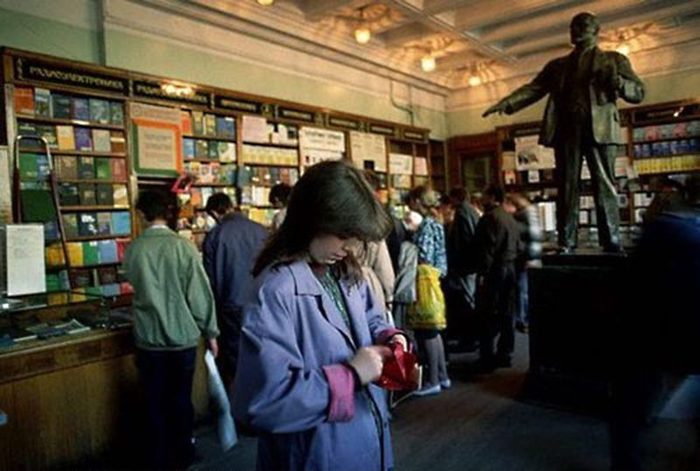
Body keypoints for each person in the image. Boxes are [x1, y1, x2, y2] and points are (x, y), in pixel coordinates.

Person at [232, 161, 409, 471]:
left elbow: (372, 320)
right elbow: (264, 402)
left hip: (367, 438)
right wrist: (352, 375)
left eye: (355, 237)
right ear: (311, 220)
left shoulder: (346, 271)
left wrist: (389, 338)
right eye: (343, 234)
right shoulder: (276, 290)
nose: (350, 247)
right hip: (316, 453)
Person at [482, 12, 645, 253]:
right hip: (568, 131)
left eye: (582, 25)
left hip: (600, 130)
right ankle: (567, 241)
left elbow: (638, 91)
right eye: (572, 26)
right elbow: (534, 88)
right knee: (567, 186)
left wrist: (620, 84)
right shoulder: (557, 66)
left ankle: (611, 240)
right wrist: (506, 103)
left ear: (596, 30)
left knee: (605, 185)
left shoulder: (613, 60)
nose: (575, 30)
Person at [124, 189, 219, 470]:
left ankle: (157, 457)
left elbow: (132, 284)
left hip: (148, 339)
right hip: (182, 339)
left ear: (142, 214)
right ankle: (183, 454)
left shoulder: (134, 249)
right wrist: (211, 332)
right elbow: (199, 295)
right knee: (180, 399)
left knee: (153, 401)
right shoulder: (183, 247)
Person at [610, 175, 700, 470]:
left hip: (650, 329)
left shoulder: (664, 227)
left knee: (631, 403)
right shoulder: (686, 228)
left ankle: (627, 462)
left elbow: (635, 281)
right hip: (683, 328)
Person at [202, 192, 268, 386]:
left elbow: (209, 279)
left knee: (234, 359)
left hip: (231, 304)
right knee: (262, 352)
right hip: (262, 302)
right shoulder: (261, 231)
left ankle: (238, 398)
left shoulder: (215, 235)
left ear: (215, 213)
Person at [473, 185, 520, 370]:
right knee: (507, 312)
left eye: (485, 195)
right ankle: (505, 353)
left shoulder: (490, 218)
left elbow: (488, 249)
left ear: (492, 197)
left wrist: (483, 273)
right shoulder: (509, 217)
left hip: (495, 270)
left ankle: (487, 357)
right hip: (510, 267)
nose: (482, 198)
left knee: (487, 313)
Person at [409, 188, 451, 397]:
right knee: (434, 331)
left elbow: (423, 255)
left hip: (425, 279)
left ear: (418, 201)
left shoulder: (426, 225)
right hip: (435, 278)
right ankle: (442, 376)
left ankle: (433, 380)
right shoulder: (436, 222)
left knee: (426, 331)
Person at [444, 187, 481, 352]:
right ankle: (471, 336)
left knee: (467, 301)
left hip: (465, 265)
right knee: (469, 299)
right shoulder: (471, 211)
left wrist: (458, 261)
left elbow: (463, 240)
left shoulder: (462, 213)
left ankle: (470, 338)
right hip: (470, 264)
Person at [506, 192, 543, 333]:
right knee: (525, 290)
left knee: (522, 291)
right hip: (532, 257)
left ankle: (523, 319)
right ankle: (524, 319)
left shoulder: (523, 216)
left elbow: (530, 237)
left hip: (527, 258)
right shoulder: (531, 213)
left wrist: (528, 256)